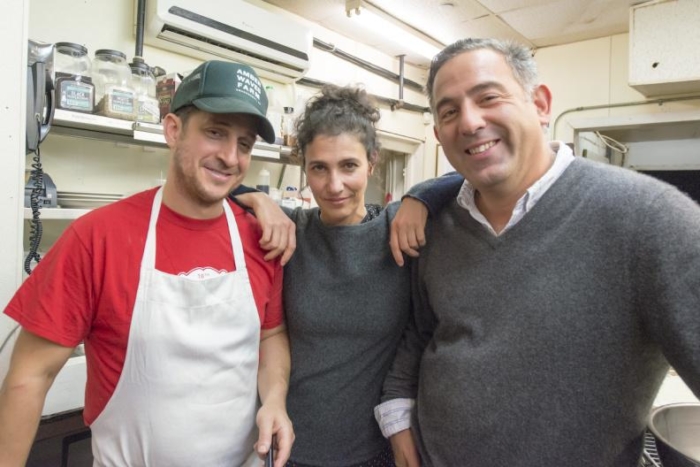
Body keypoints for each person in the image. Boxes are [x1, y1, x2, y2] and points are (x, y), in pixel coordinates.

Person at [379, 38, 700, 467]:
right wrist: (399, 421)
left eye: (488, 97)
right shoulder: (435, 227)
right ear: (438, 135)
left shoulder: (649, 219)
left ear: (541, 104)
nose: (470, 122)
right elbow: (420, 334)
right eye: (449, 111)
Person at [0, 60, 294, 467]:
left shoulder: (261, 239)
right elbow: (30, 376)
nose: (230, 156)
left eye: (244, 143)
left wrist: (275, 399)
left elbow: (271, 334)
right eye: (215, 132)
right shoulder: (96, 238)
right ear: (173, 130)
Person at [232, 84, 462, 467]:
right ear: (305, 168)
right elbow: (205, 186)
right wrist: (257, 198)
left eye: (349, 166)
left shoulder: (397, 229)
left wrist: (421, 194)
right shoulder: (289, 230)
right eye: (319, 168)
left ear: (372, 164)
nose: (334, 185)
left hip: (376, 449)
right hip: (292, 446)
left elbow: (471, 176)